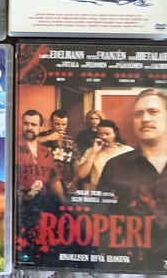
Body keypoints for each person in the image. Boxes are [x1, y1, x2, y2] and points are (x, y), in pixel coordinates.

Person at [97, 89, 167, 269]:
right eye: (138, 114)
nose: (145, 118)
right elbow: (100, 220)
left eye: (153, 111)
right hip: (128, 268)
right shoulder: (115, 167)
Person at [16, 109, 66, 204]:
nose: (29, 128)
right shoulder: (12, 149)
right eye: (26, 124)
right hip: (19, 204)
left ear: (40, 128)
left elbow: (54, 180)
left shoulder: (46, 152)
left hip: (42, 204)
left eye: (33, 125)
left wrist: (64, 202)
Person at [77, 118, 133, 190]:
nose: (104, 137)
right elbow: (81, 175)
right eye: (100, 134)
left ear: (115, 133)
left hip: (120, 191)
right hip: (98, 191)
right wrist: (94, 151)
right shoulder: (91, 151)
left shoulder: (127, 150)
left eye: (107, 134)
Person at [38, 109, 81, 192]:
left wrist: (75, 182)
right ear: (51, 123)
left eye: (64, 124)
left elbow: (76, 162)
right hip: (46, 183)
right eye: (57, 124)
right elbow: (28, 142)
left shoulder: (70, 140)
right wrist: (49, 138)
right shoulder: (43, 136)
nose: (60, 128)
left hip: (66, 183)